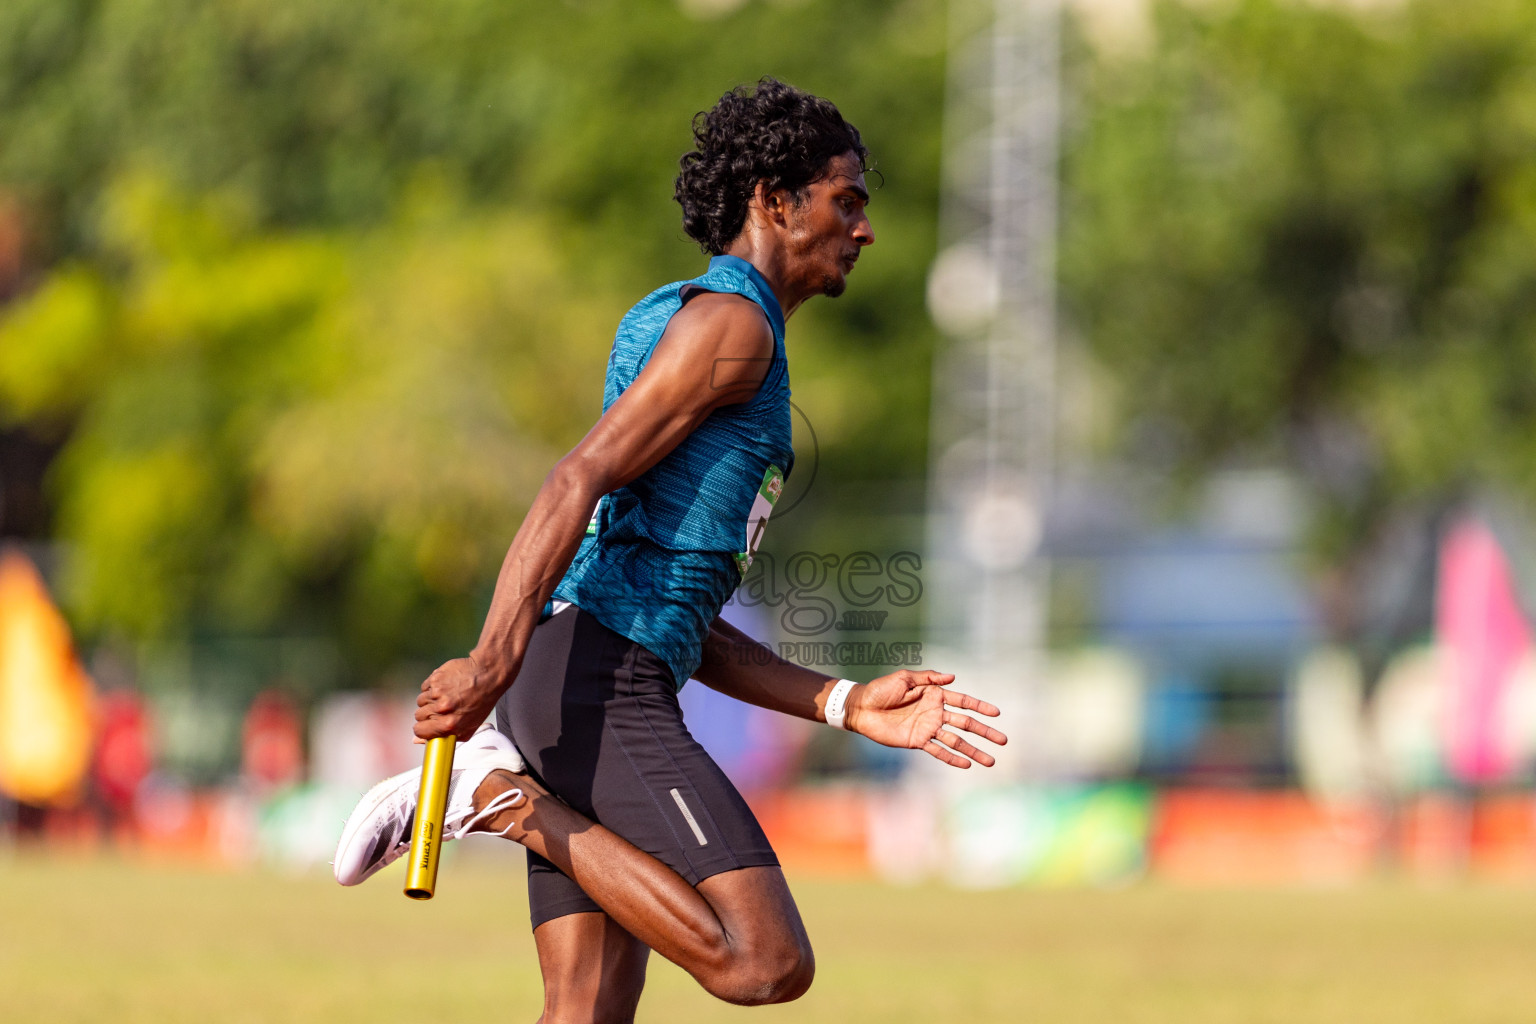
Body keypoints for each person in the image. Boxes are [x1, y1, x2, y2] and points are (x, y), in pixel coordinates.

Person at [334, 77, 1007, 1022]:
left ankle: (504, 788)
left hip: (581, 669)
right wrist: (493, 659)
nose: (862, 230)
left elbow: (677, 611)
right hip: (594, 683)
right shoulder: (734, 329)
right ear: (774, 200)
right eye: (844, 201)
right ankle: (499, 798)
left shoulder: (689, 313)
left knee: (585, 1010)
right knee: (763, 962)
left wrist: (847, 703)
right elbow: (576, 478)